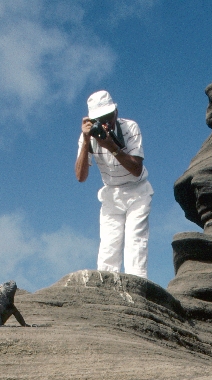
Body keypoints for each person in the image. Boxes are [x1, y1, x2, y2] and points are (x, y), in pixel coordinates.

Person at [76, 90, 153, 279]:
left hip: (137, 191)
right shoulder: (88, 138)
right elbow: (80, 176)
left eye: (108, 117)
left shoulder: (130, 128)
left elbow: (136, 169)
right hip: (111, 193)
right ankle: (107, 296)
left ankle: (137, 289)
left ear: (116, 112)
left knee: (136, 244)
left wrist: (113, 148)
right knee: (109, 249)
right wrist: (86, 141)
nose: (105, 123)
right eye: (99, 119)